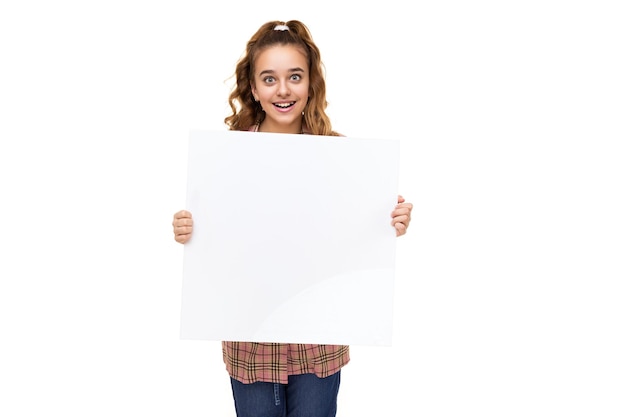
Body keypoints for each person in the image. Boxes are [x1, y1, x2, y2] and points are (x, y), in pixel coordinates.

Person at [172, 20, 413, 417]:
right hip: (250, 340)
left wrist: (390, 223)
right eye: (269, 78)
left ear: (310, 83)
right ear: (253, 87)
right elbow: (218, 238)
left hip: (319, 343)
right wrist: (191, 231)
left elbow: (357, 236)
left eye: (294, 77)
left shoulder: (341, 157)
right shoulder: (227, 157)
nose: (282, 90)